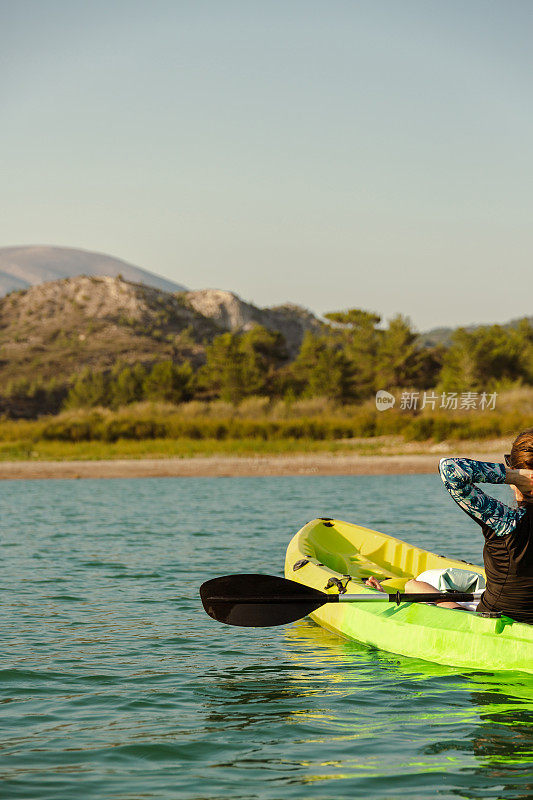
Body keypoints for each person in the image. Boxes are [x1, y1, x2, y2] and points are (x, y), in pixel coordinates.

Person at [366, 428, 533, 622]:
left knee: (414, 586)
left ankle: (380, 594)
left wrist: (513, 476)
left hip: (492, 620)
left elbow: (449, 468)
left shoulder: (503, 519)